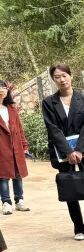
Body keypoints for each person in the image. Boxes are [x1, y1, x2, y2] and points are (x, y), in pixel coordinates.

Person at [42, 64, 84, 240]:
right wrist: (68, 151)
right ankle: (78, 228)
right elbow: (53, 129)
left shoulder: (83, 99)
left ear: (71, 76)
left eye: (64, 75)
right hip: (62, 152)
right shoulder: (49, 103)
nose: (62, 80)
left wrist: (80, 150)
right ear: (53, 80)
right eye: (57, 77)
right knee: (70, 188)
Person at [0, 81, 30, 215]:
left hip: (15, 145)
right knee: (3, 175)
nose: (2, 90)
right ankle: (6, 202)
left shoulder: (11, 108)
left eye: (4, 87)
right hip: (2, 147)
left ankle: (19, 200)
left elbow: (20, 129)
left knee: (18, 175)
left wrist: (24, 145)